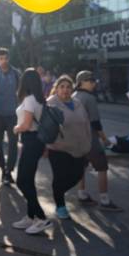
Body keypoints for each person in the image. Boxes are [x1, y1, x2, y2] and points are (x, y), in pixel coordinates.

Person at [74, 71, 122, 211]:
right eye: (90, 80)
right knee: (102, 167)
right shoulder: (89, 98)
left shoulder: (73, 96)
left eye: (94, 81)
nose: (93, 83)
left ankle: (82, 194)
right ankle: (105, 201)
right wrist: (105, 139)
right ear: (81, 82)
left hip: (77, 139)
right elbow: (96, 123)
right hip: (90, 139)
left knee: (81, 167)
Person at [11, 68, 52, 234]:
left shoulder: (29, 100)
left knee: (22, 180)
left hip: (30, 140)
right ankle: (30, 216)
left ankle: (41, 218)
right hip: (37, 142)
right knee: (28, 179)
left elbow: (26, 125)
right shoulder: (40, 100)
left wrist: (15, 129)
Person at [47, 75, 92, 220]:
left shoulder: (77, 103)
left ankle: (57, 192)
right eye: (62, 87)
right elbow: (46, 128)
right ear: (57, 88)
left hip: (79, 147)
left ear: (72, 89)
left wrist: (88, 142)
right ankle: (60, 206)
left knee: (77, 175)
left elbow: (86, 123)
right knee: (60, 177)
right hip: (58, 149)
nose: (65, 90)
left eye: (68, 87)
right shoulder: (51, 104)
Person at [0, 47, 20, 186]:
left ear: (9, 58)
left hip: (13, 114)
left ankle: (9, 171)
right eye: (1, 58)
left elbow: (21, 92)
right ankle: (2, 169)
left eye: (6, 58)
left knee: (13, 144)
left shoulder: (16, 73)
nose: (3, 61)